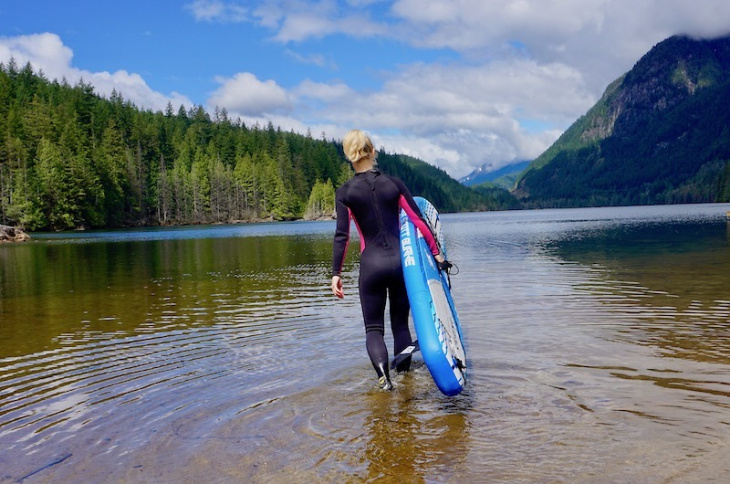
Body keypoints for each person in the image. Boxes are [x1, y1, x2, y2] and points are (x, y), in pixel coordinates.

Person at [331, 129, 446, 390]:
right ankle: (406, 381)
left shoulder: (345, 192)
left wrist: (336, 273)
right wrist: (436, 253)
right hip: (399, 263)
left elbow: (342, 236)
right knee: (399, 323)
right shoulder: (393, 183)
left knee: (374, 329)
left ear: (349, 157)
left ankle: (384, 379)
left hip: (371, 265)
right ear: (373, 151)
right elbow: (418, 220)